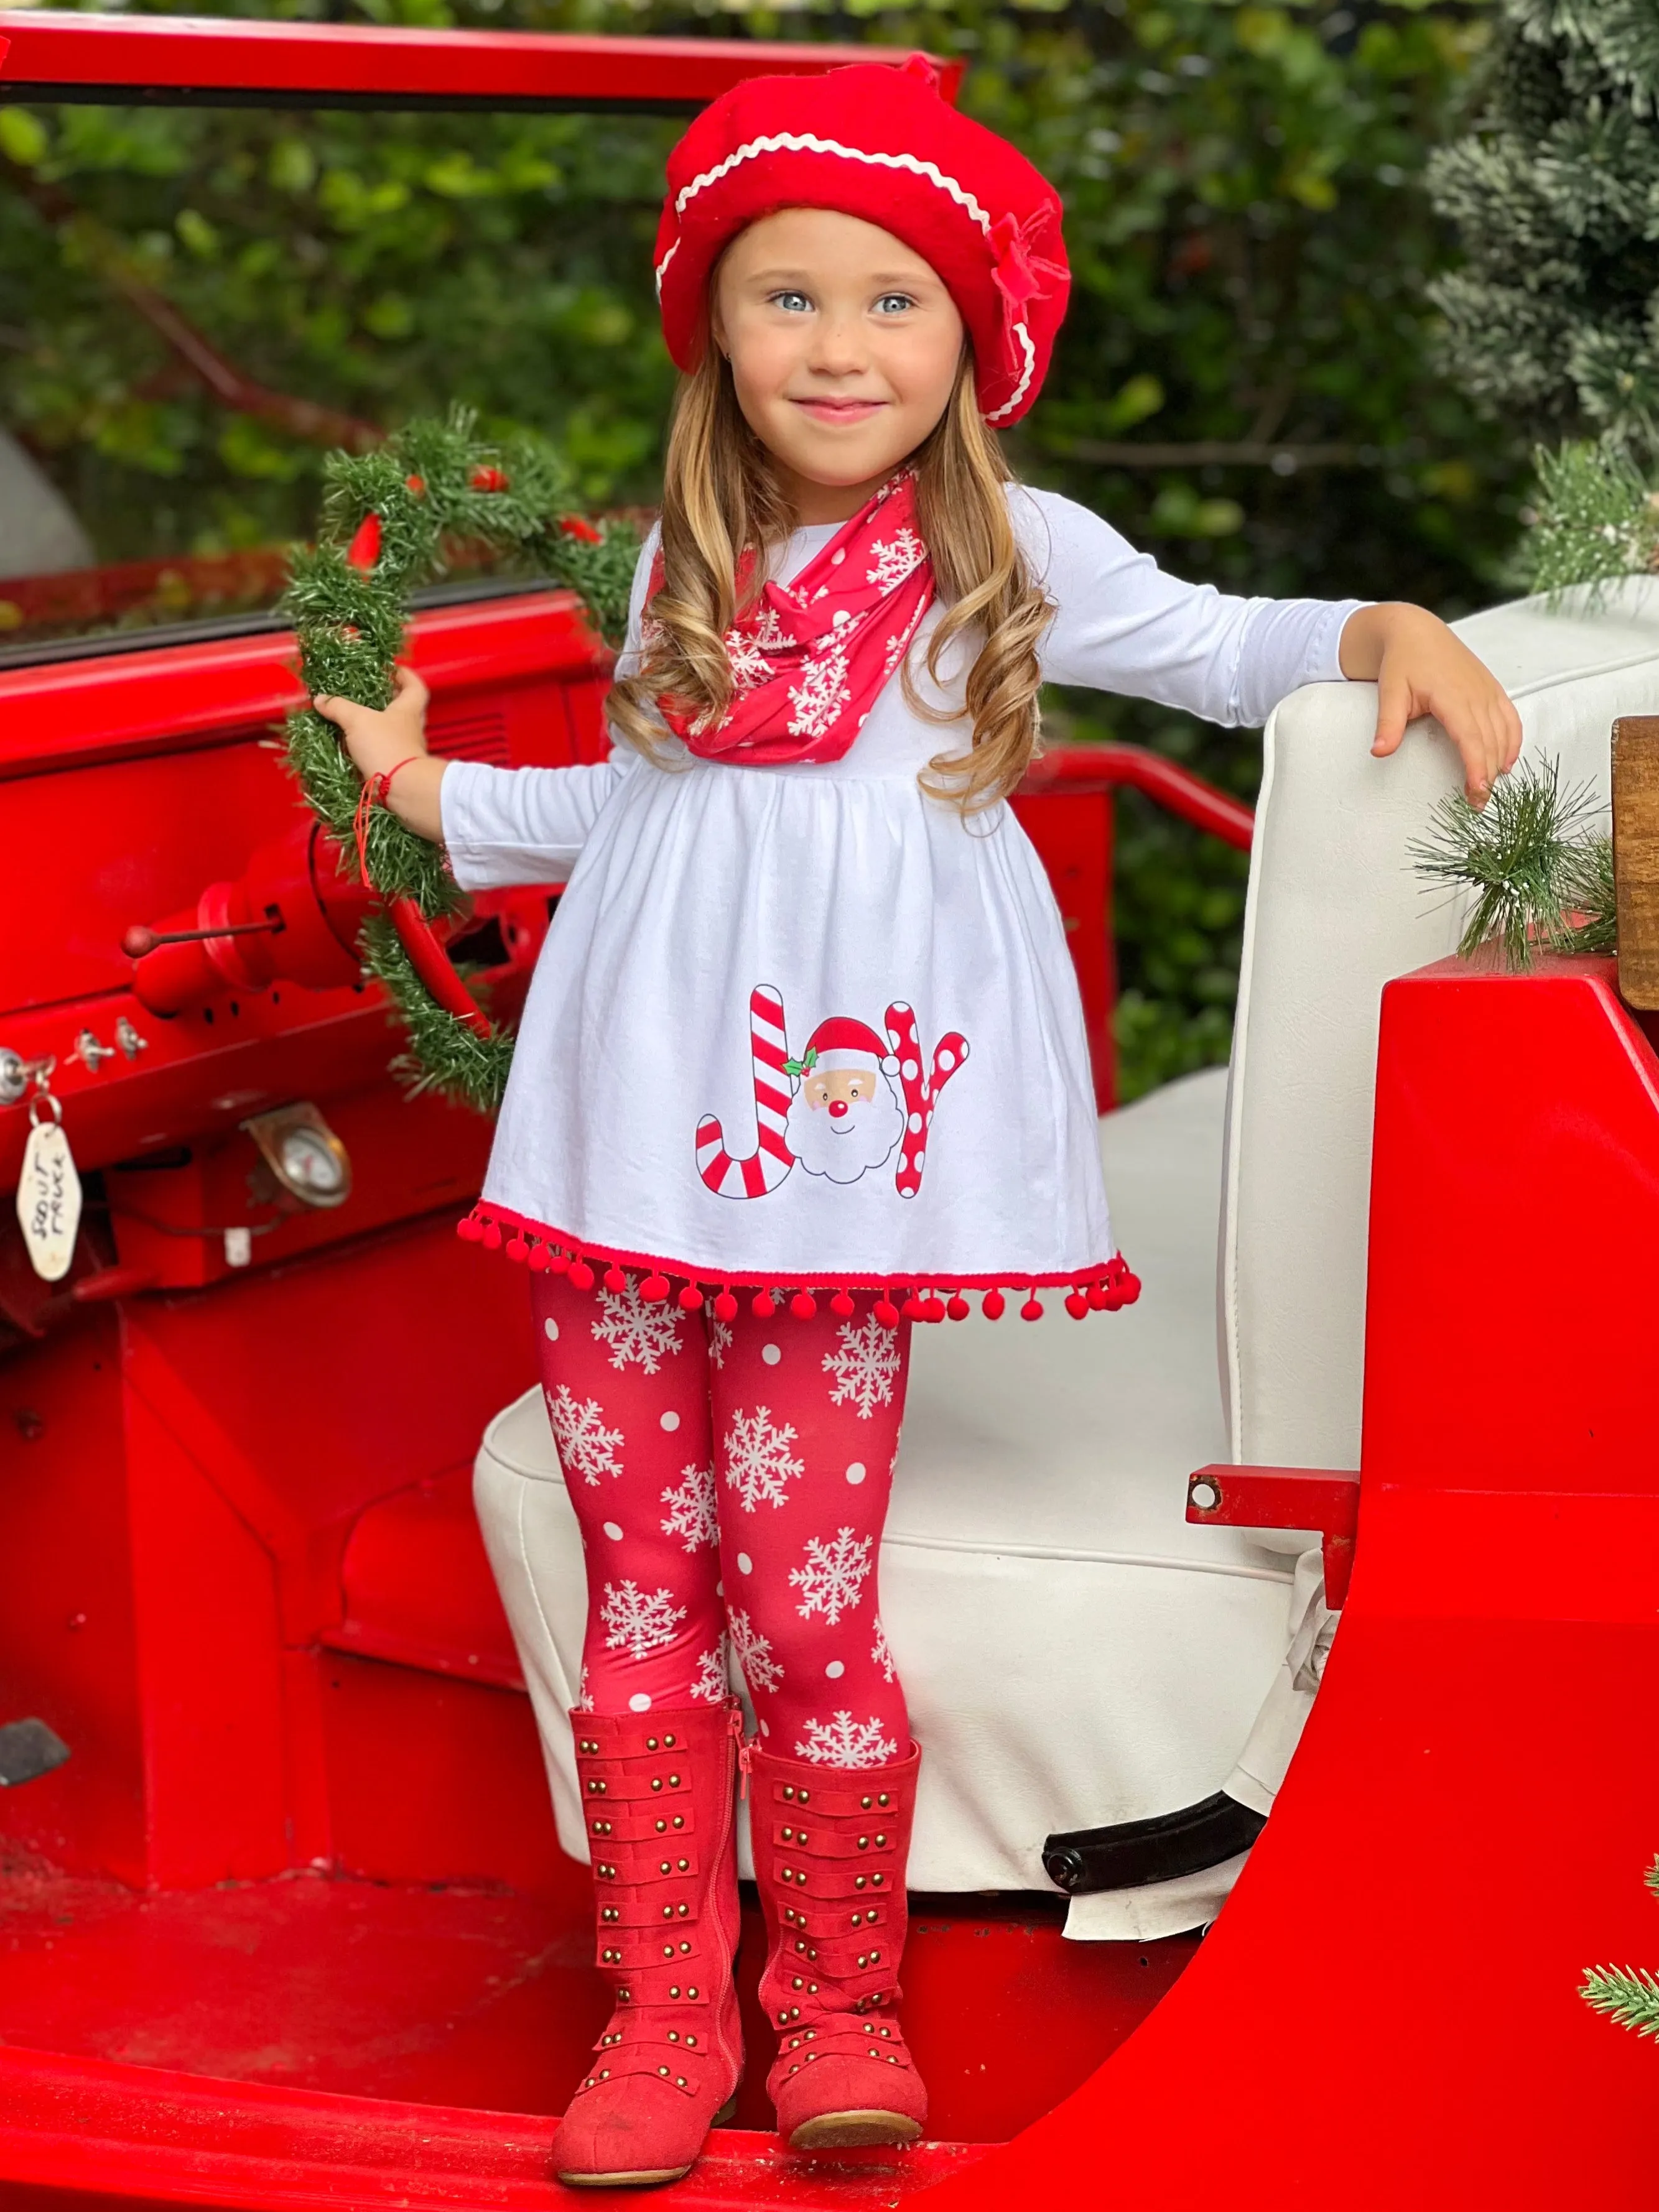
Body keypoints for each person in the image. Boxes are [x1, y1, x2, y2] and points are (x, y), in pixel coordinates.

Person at [315, 55, 1520, 2190]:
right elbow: (639, 812)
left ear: (971, 337)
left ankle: (838, 2000)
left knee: (805, 1587)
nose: (840, 344)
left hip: (820, 1185)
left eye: (892, 299)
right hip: (617, 1154)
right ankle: (664, 2011)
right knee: (641, 1584)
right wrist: (430, 798)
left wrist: (1380, 626)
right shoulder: (693, 552)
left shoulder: (1006, 550)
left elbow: (1223, 647)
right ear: (717, 330)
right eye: (790, 297)